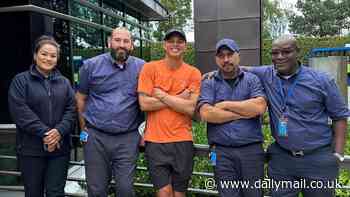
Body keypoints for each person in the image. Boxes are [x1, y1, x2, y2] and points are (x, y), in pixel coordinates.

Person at [202, 35, 350, 197]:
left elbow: (340, 117)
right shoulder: (268, 74)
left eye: (286, 52)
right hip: (282, 159)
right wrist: (214, 72)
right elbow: (240, 69)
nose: (280, 57)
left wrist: (338, 154)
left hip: (317, 158)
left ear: (298, 53)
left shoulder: (322, 80)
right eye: (275, 53)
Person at [75, 27, 145, 197]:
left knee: (125, 190)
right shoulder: (90, 66)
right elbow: (80, 98)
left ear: (132, 45)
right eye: (117, 40)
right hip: (96, 138)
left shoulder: (142, 67)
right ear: (109, 42)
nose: (121, 44)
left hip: (127, 138)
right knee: (96, 190)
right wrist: (84, 130)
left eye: (126, 41)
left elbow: (150, 100)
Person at [197, 38, 267, 197]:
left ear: (238, 56)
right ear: (216, 59)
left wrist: (225, 104)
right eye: (221, 56)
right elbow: (207, 113)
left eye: (230, 54)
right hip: (220, 153)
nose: (226, 59)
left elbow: (259, 107)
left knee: (253, 194)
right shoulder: (209, 82)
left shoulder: (252, 80)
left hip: (251, 151)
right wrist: (244, 112)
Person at [8, 35, 76, 197]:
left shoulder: (64, 83)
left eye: (53, 56)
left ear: (57, 59)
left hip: (59, 151)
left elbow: (71, 110)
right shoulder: (20, 81)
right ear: (35, 55)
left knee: (55, 192)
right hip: (31, 150)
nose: (48, 58)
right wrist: (47, 134)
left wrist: (58, 132)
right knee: (33, 192)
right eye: (44, 54)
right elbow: (20, 112)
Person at [138, 29, 201, 197]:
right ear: (164, 45)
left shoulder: (194, 73)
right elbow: (144, 104)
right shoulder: (149, 68)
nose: (175, 44)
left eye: (179, 41)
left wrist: (162, 95)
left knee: (179, 194)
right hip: (155, 141)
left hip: (183, 140)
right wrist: (179, 98)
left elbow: (190, 108)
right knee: (164, 192)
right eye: (171, 41)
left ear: (185, 47)